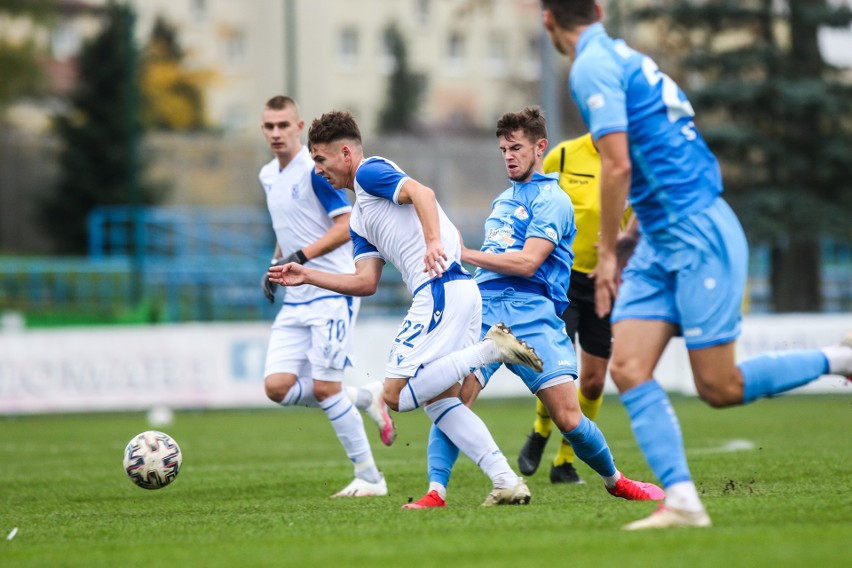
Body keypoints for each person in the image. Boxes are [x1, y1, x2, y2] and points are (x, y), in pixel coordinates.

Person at [540, 0, 852, 529]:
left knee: (719, 387)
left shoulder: (591, 65)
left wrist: (610, 253)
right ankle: (682, 500)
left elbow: (616, 163)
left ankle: (839, 358)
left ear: (547, 20)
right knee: (630, 367)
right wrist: (638, 232)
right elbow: (658, 150)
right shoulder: (623, 56)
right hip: (660, 235)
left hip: (696, 230)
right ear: (597, 9)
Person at [267, 109, 544, 506]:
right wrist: (308, 275)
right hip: (457, 291)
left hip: (440, 290)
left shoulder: (368, 172)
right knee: (443, 402)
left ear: (345, 153)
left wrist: (433, 242)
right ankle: (505, 481)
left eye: (320, 160)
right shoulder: (361, 218)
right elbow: (365, 282)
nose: (318, 170)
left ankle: (490, 349)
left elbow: (422, 194)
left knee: (395, 395)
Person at [403, 107, 664, 510]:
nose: (508, 155)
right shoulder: (501, 200)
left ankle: (616, 481)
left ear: (540, 148)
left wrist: (465, 252)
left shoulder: (553, 199)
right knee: (451, 400)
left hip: (532, 314)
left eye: (517, 148)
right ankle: (436, 492)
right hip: (485, 310)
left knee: (568, 418)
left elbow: (527, 263)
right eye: (504, 148)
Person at [257, 96, 396, 499]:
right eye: (269, 126)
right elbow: (289, 229)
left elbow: (346, 223)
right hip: (296, 292)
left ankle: (370, 477)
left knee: (323, 388)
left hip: (331, 289)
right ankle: (364, 396)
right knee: (277, 387)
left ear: (299, 127)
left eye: (284, 125)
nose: (277, 133)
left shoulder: (316, 170)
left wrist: (300, 257)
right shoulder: (268, 175)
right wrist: (276, 263)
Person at [517, 133, 634, 484]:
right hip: (561, 278)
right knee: (560, 365)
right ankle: (540, 430)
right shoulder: (564, 156)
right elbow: (534, 197)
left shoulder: (631, 162)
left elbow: (641, 219)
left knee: (595, 382)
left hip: (606, 282)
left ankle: (564, 461)